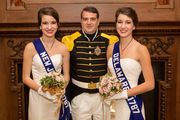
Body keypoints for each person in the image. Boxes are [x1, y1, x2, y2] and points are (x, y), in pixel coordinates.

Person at [62, 6, 118, 120]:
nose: (89, 22)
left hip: (102, 96)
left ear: (98, 21)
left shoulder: (109, 40)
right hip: (79, 95)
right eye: (85, 19)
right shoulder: (70, 40)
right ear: (81, 21)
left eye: (92, 19)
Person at [106, 7, 155, 120]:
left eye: (128, 22)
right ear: (116, 24)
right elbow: (109, 77)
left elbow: (150, 84)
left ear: (134, 26)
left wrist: (123, 94)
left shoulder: (141, 49)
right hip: (112, 104)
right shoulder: (110, 49)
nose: (123, 26)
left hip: (132, 104)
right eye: (120, 22)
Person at [22, 7, 70, 120]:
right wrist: (41, 90)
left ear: (58, 25)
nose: (49, 27)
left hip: (56, 97)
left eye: (53, 23)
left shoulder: (64, 48)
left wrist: (60, 89)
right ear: (40, 26)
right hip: (38, 96)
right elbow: (25, 77)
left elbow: (66, 75)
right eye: (45, 23)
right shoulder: (31, 47)